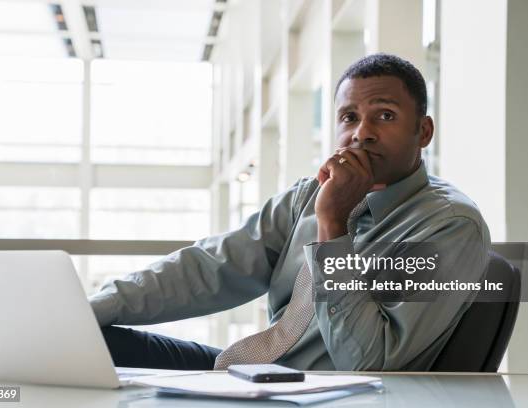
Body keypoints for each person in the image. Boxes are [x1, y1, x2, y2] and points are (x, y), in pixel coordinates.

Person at [89, 53, 491, 371]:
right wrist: (89, 308)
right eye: (349, 117)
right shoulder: (309, 195)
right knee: (95, 341)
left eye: (384, 116)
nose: (362, 133)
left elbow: (369, 362)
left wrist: (333, 229)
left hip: (326, 394)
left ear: (423, 131)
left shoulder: (450, 226)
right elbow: (209, 267)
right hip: (258, 375)